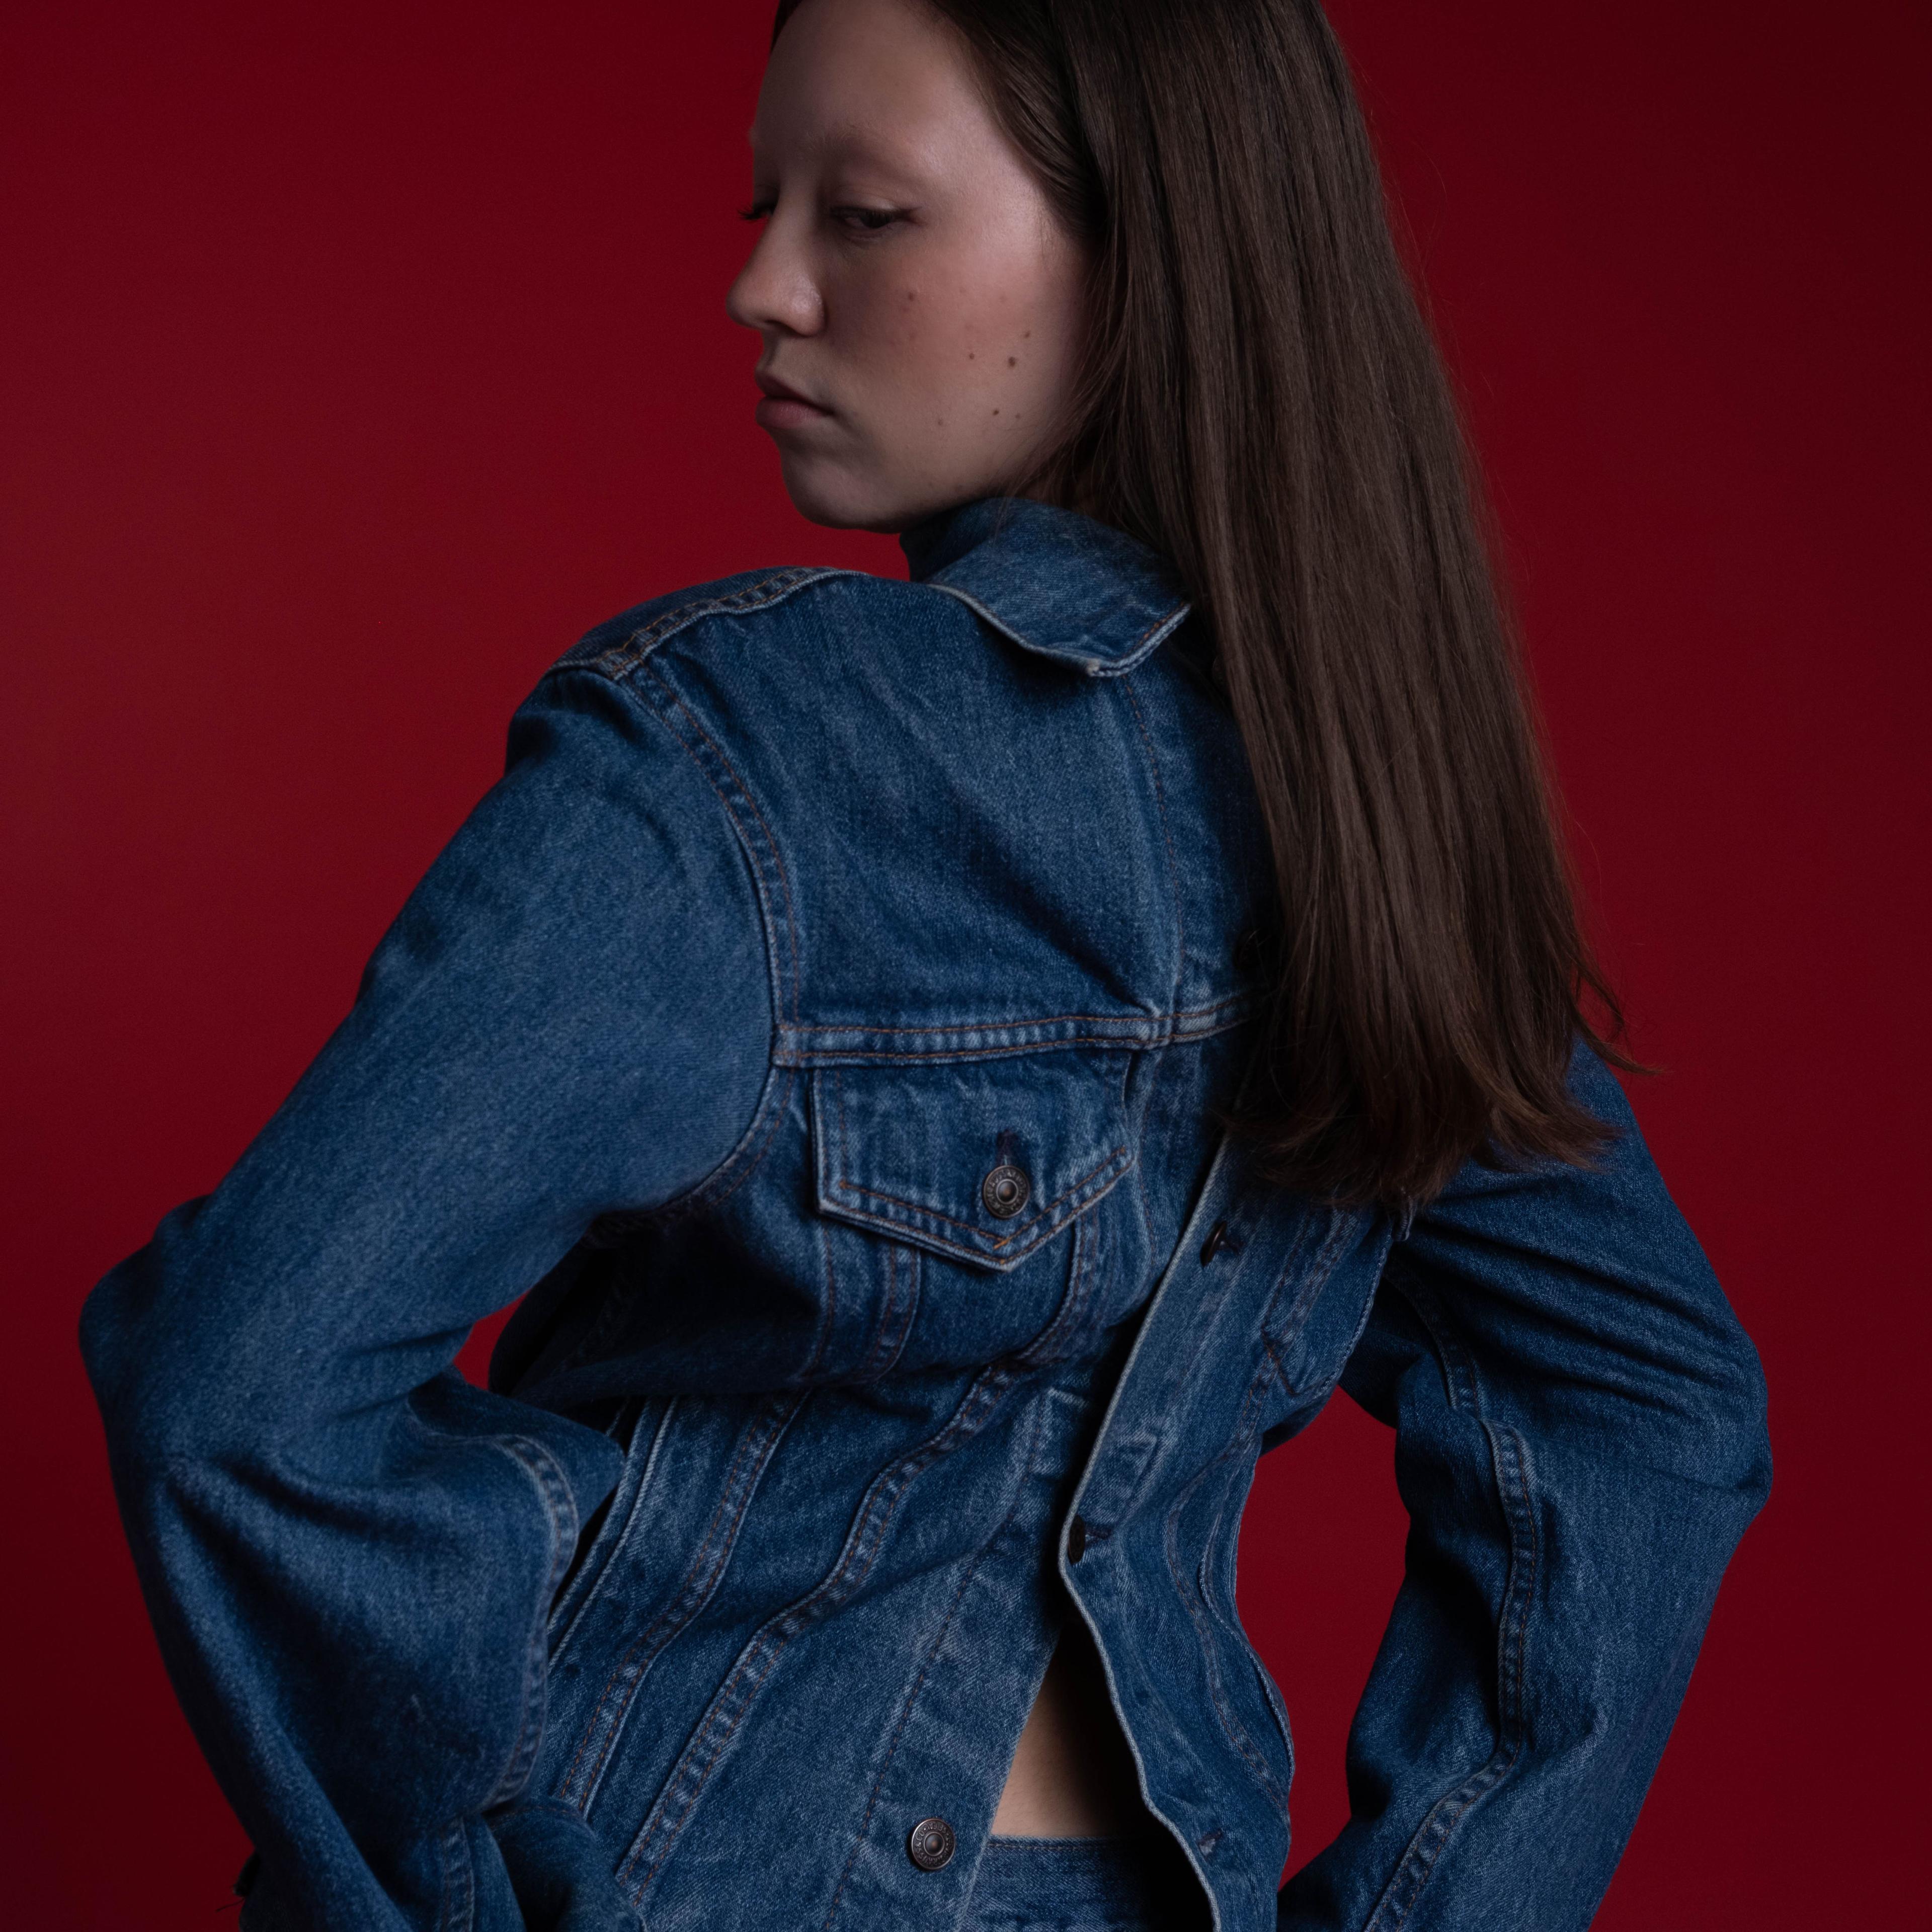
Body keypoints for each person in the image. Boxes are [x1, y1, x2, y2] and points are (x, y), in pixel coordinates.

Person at [78, 2, 1772, 1928]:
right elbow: (1653, 1411)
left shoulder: (746, 749)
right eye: (765, 204)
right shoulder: (1372, 812)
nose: (760, 285)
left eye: (866, 216)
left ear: (1148, 252)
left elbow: (239, 1379)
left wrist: (459, 1871)